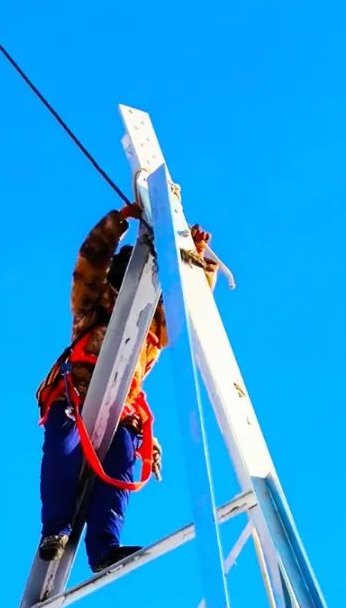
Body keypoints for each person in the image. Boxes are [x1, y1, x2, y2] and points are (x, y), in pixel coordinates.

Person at [36, 203, 213, 572]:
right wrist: (118, 222)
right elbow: (91, 261)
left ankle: (103, 548)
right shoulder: (93, 306)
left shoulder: (152, 324)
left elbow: (189, 305)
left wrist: (196, 259)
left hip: (123, 410)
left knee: (120, 465)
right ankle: (56, 529)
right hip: (77, 391)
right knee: (63, 450)